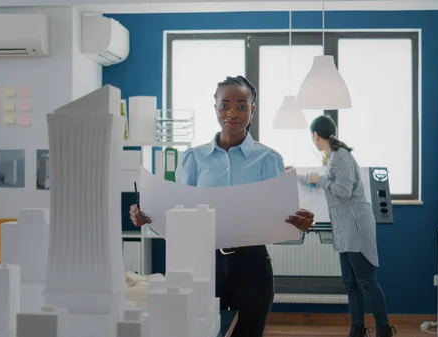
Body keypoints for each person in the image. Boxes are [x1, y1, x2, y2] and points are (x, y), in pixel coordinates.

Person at [129, 75, 315, 337]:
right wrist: (146, 216)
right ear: (215, 107)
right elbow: (180, 215)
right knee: (203, 332)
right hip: (202, 261)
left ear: (253, 109)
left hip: (253, 264)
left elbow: (281, 216)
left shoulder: (269, 159)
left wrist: (301, 223)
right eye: (224, 105)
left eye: (241, 105)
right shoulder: (193, 159)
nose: (232, 113)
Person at [303, 115, 396, 337]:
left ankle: (384, 330)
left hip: (355, 227)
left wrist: (320, 180)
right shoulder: (334, 157)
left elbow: (343, 191)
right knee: (350, 283)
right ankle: (357, 330)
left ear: (316, 136)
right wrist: (305, 178)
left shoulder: (340, 157)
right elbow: (334, 185)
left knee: (366, 281)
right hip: (345, 228)